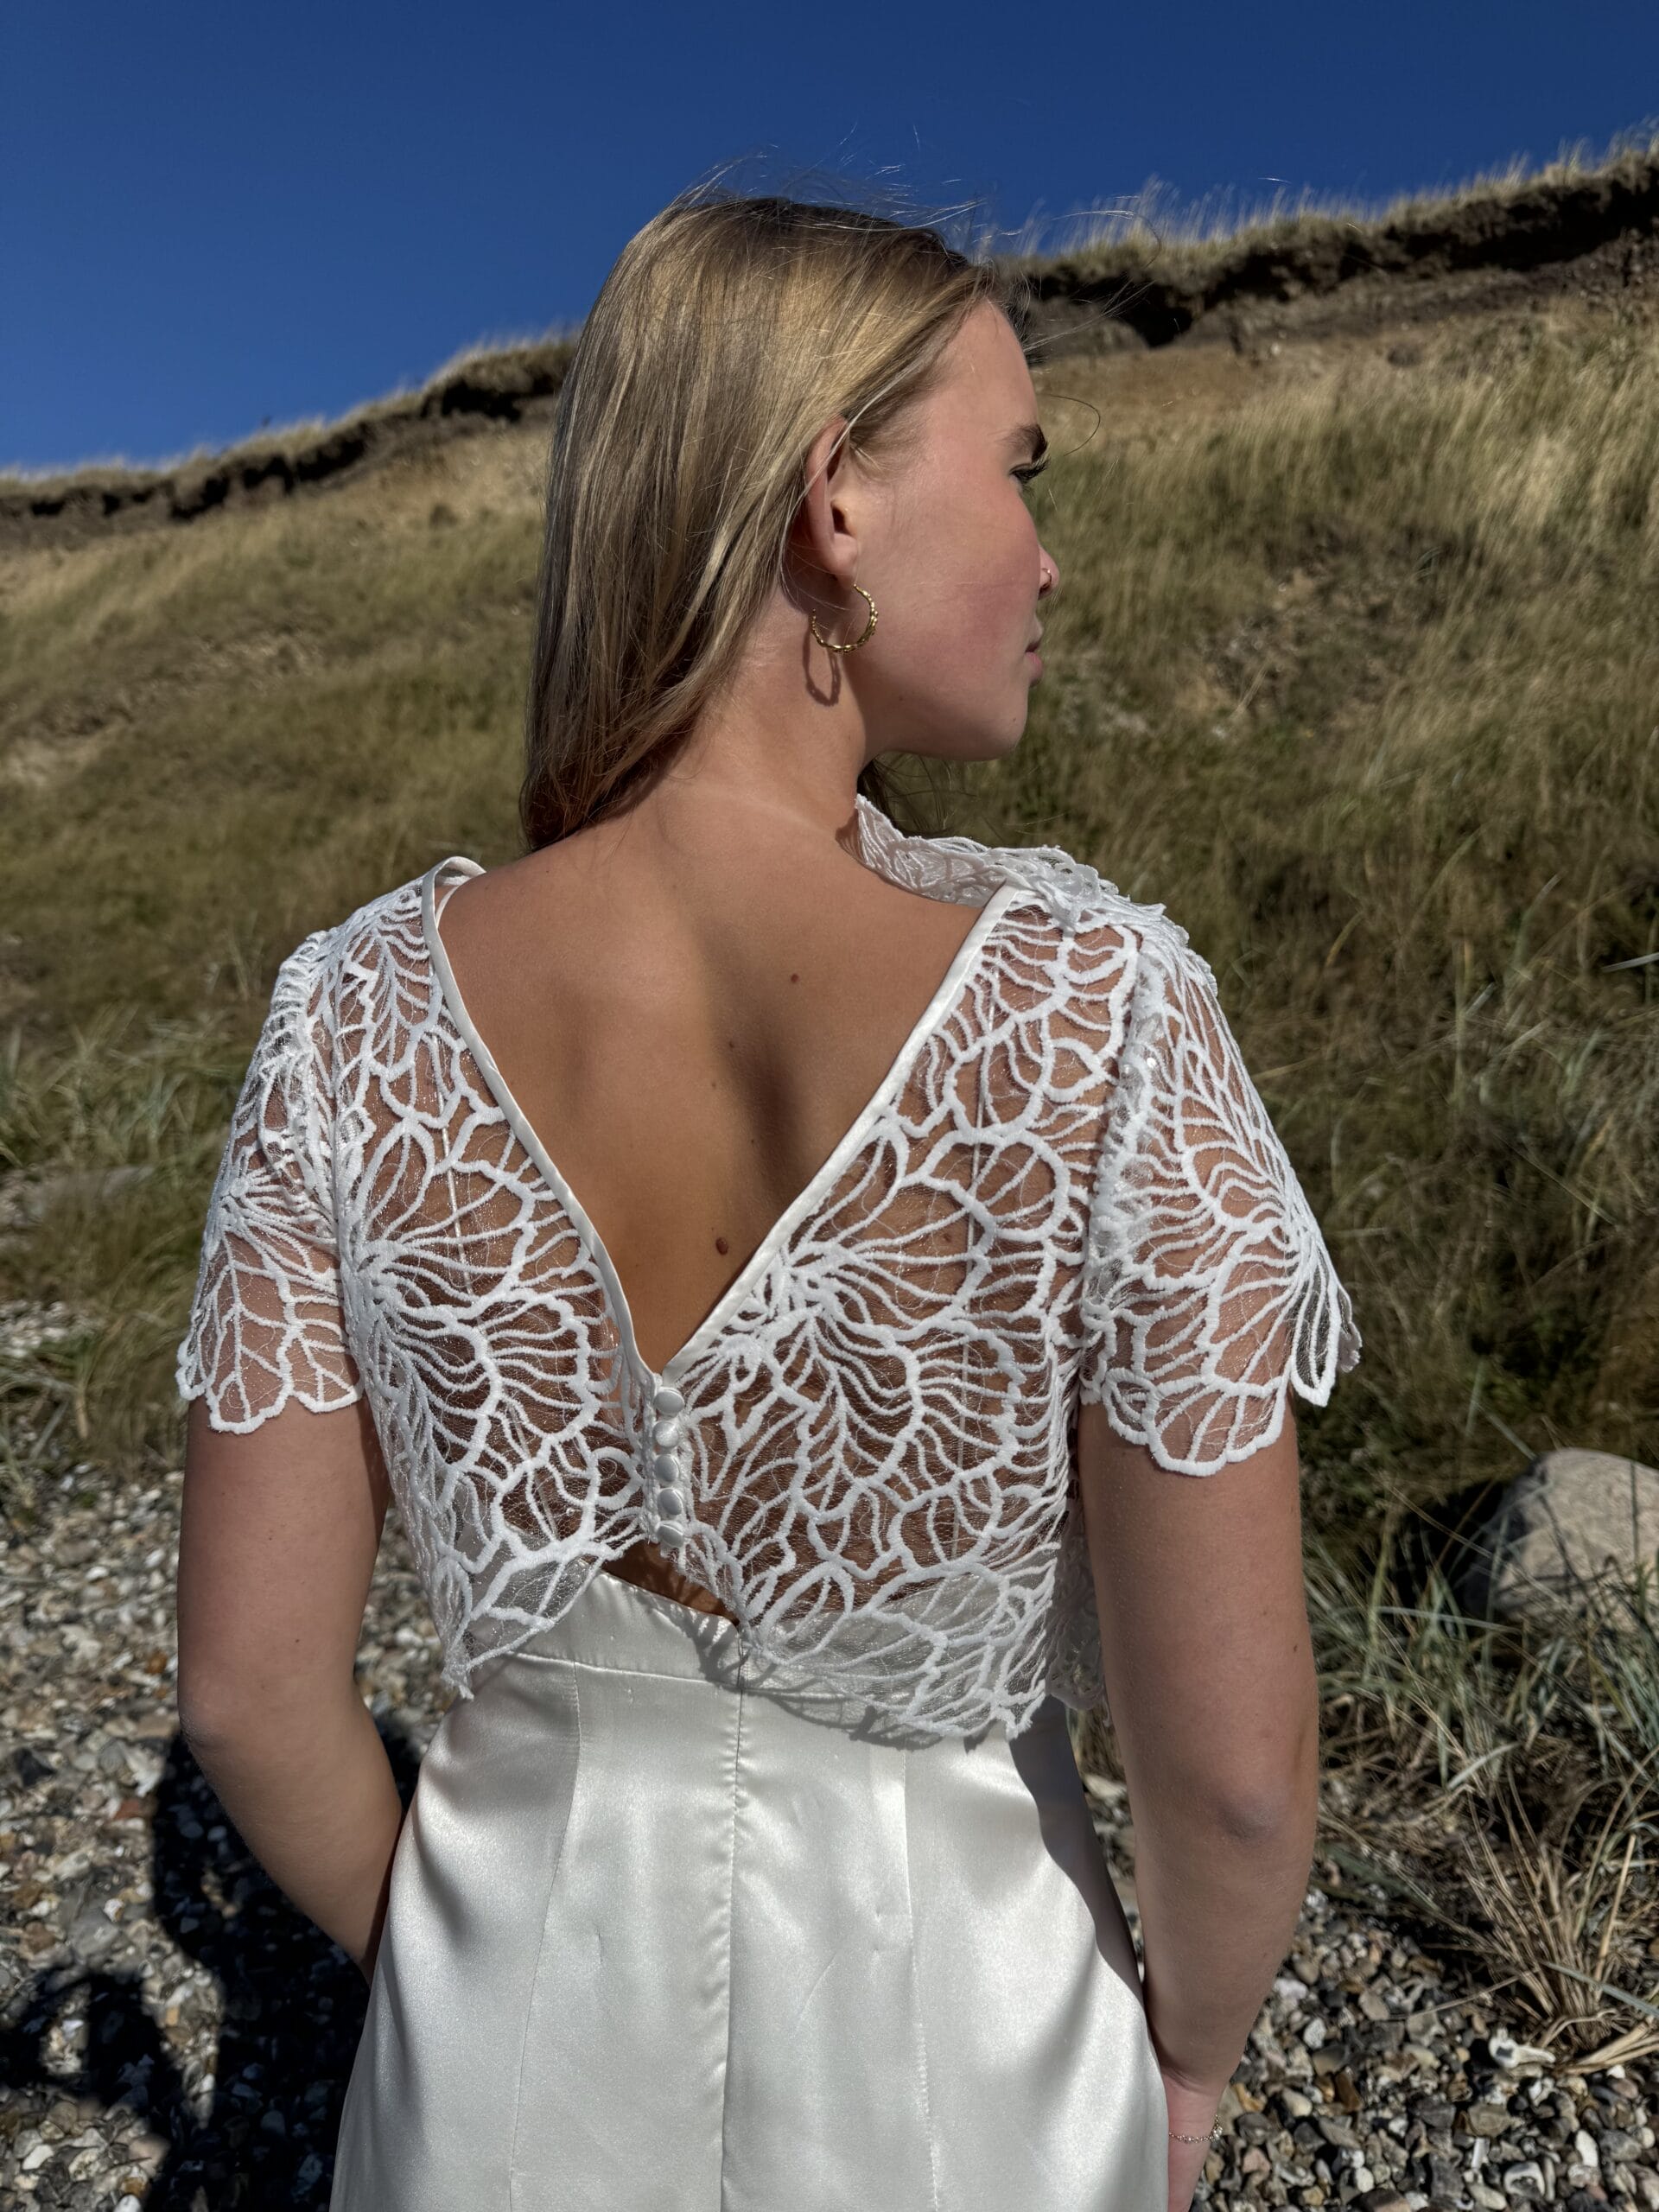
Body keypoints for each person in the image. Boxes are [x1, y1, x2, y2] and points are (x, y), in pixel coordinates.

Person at [172, 184, 1362, 2212]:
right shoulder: (1101, 1015)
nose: (1050, 554)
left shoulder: (350, 1016)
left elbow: (249, 1690)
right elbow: (1234, 1770)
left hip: (500, 2052)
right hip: (971, 2056)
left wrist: (452, 1971)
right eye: (1019, 466)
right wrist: (1188, 2061)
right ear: (836, 501)